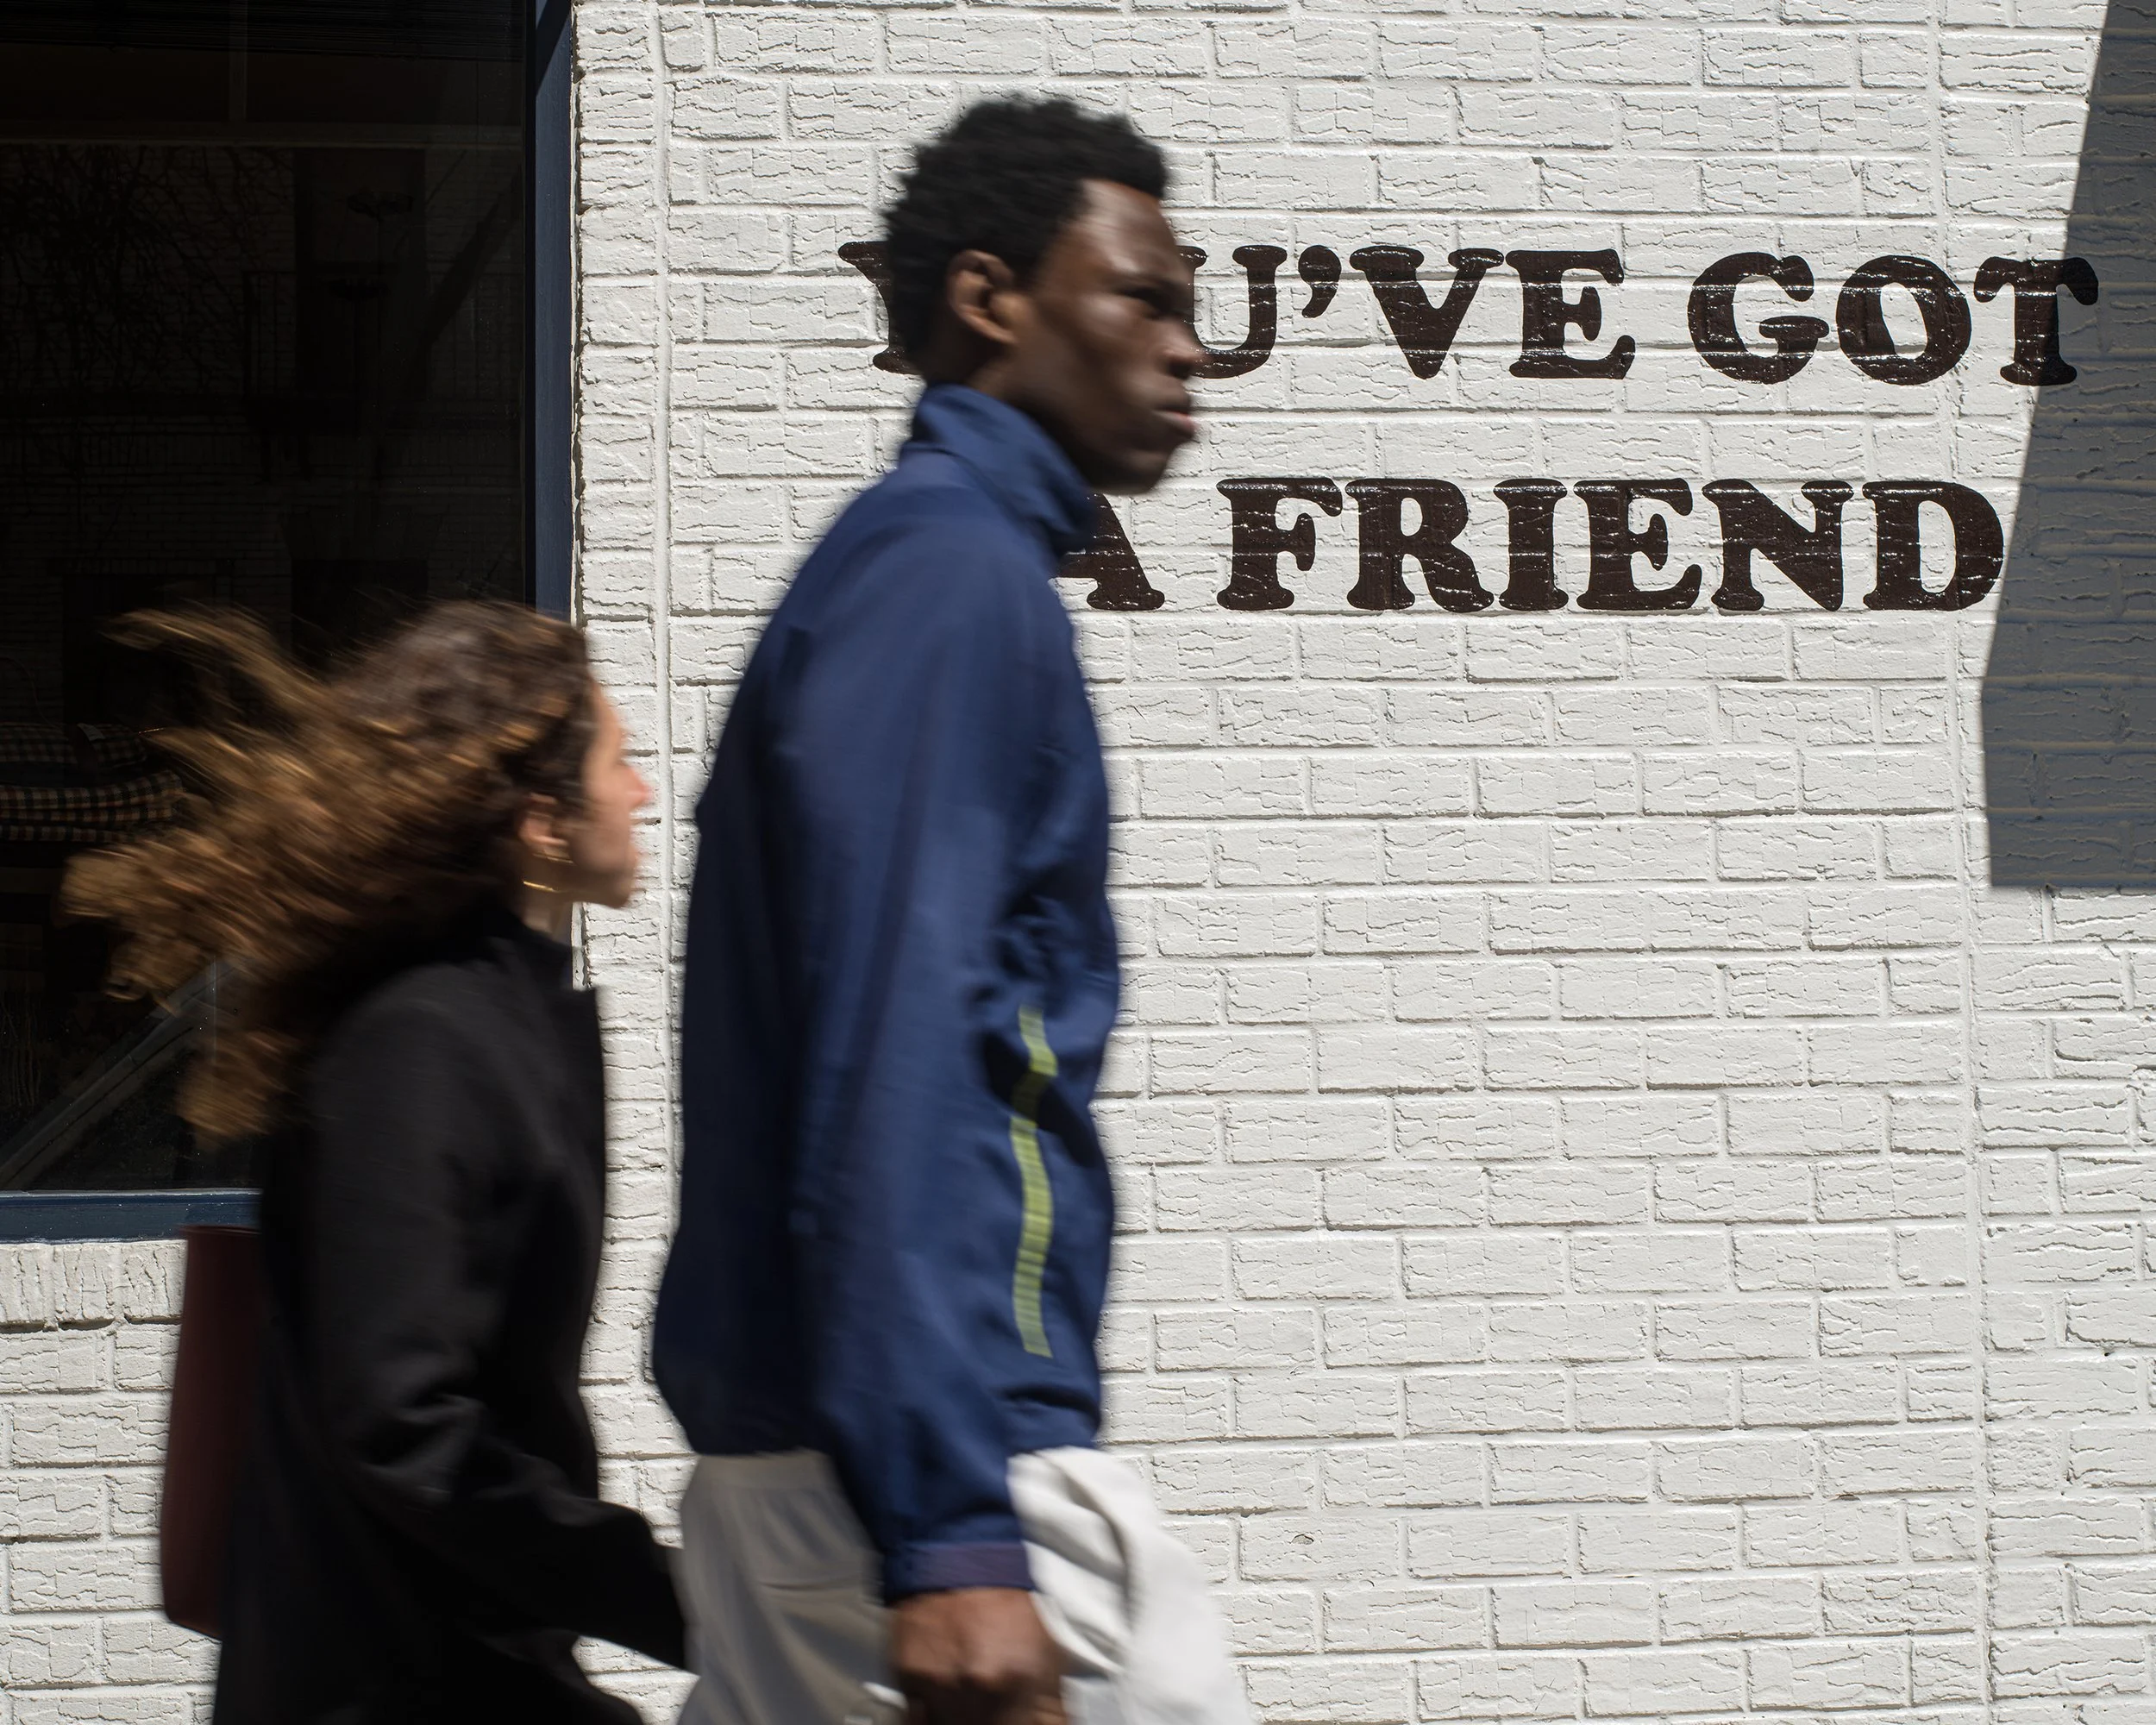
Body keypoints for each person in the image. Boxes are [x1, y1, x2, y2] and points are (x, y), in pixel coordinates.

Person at [655, 97, 1245, 1725]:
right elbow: (901, 1050)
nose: (1189, 348)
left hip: (848, 1463)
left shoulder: (929, 564)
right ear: (992, 300)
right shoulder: (945, 579)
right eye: (1143, 296)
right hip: (936, 1475)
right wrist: (953, 1530)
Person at [67, 604, 686, 1724]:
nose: (643, 793)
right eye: (619, 763)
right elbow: (402, 1425)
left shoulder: (491, 1021)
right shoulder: (421, 1044)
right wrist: (683, 1600)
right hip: (385, 1681)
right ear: (541, 820)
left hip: (455, 1662)